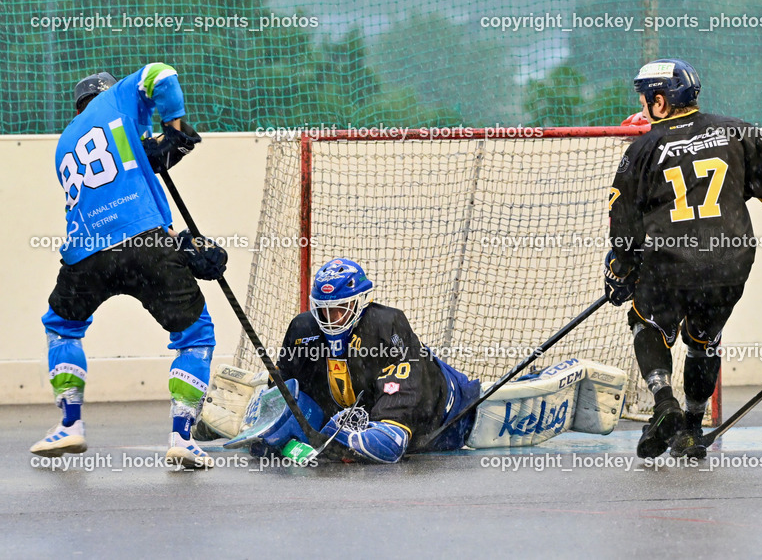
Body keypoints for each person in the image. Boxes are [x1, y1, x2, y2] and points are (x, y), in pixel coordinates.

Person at [31, 65, 228, 469]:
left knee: (61, 326)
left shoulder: (64, 143)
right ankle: (181, 438)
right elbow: (162, 74)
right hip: (145, 243)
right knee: (194, 337)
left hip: (83, 251)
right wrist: (173, 125)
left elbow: (114, 192)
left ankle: (69, 425)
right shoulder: (118, 98)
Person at [605, 58, 762, 459]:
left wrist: (620, 271)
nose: (644, 106)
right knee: (704, 341)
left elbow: (623, 224)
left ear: (660, 101)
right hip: (729, 260)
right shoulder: (735, 129)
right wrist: (729, 194)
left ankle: (665, 405)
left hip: (671, 262)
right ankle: (693, 429)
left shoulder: (643, 148)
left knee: (647, 323)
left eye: (646, 99)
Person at [260, 258, 481, 463]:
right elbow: (284, 382)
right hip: (363, 412)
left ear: (362, 301)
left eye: (340, 309)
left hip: (447, 411)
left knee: (402, 394)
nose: (332, 319)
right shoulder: (303, 328)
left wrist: (365, 437)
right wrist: (272, 421)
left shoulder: (386, 324)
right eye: (324, 310)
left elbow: (405, 390)